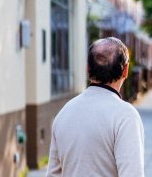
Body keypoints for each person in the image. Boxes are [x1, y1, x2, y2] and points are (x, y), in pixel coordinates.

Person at [46, 37, 145, 177]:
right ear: (126, 70)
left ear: (88, 69)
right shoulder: (125, 116)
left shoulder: (64, 113)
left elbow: (53, 174)